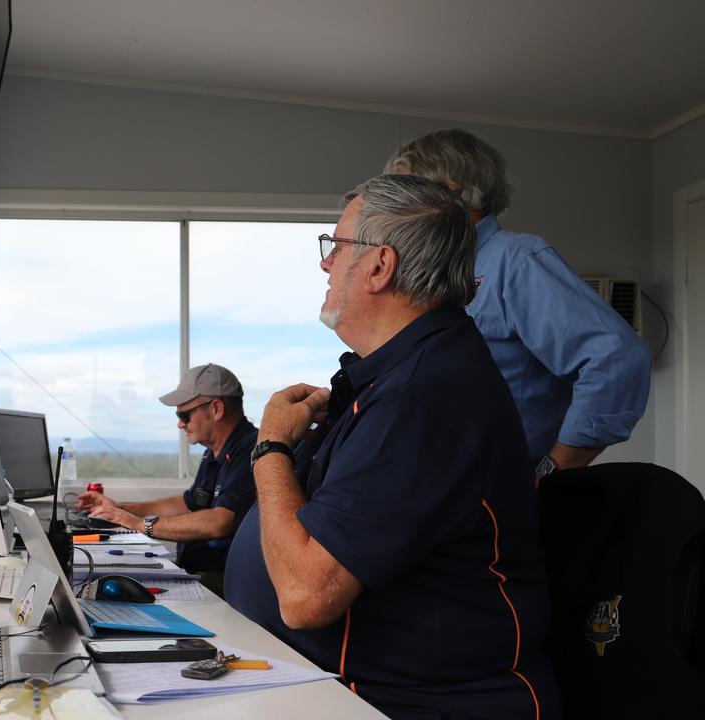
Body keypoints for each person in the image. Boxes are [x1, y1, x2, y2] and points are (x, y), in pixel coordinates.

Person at [225, 175, 559, 719]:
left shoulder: (419, 398)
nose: (326, 263)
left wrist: (270, 448)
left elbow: (307, 596)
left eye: (336, 245)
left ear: (380, 266)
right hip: (326, 682)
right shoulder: (401, 377)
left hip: (400, 705)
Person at [388, 128, 651, 481]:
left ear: (451, 191)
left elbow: (616, 359)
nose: (395, 209)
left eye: (407, 193)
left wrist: (552, 470)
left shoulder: (515, 259)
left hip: (500, 486)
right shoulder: (435, 270)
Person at [76, 363, 257, 596]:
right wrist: (120, 510)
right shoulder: (213, 453)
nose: (180, 424)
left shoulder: (251, 452)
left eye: (184, 415)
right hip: (197, 570)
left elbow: (220, 522)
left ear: (216, 409)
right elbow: (187, 503)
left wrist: (139, 524)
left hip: (225, 581)